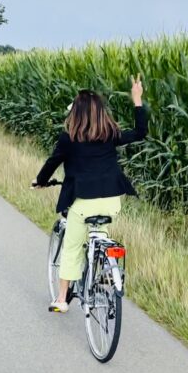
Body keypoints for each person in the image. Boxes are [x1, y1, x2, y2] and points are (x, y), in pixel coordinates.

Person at [32, 74, 148, 313]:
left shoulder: (69, 138)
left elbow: (52, 163)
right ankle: (107, 268)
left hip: (84, 203)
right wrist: (137, 99)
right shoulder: (110, 135)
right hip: (112, 201)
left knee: (72, 248)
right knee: (100, 233)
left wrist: (40, 181)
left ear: (76, 113)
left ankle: (62, 298)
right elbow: (140, 132)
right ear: (99, 113)